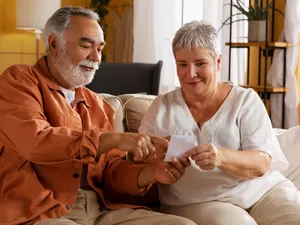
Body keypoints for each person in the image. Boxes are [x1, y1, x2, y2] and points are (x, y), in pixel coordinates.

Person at [0, 6, 196, 225]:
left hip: (100, 211)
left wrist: (152, 173)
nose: (96, 58)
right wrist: (114, 139)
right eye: (86, 46)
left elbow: (111, 175)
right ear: (54, 44)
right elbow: (36, 141)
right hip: (42, 212)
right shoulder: (18, 81)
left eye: (100, 49)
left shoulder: (98, 105)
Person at [139, 20, 300, 225]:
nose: (190, 74)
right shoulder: (161, 108)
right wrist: (159, 161)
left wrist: (221, 158)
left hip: (263, 190)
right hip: (198, 201)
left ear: (217, 62)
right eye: (182, 64)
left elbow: (262, 163)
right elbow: (138, 160)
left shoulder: (245, 100)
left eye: (200, 63)